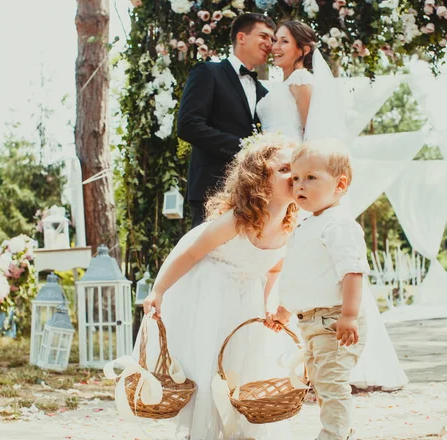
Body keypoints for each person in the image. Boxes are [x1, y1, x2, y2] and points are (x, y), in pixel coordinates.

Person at [260, 21, 408, 392]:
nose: (275, 47)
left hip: (294, 170)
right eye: (273, 40)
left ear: (302, 49)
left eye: (283, 41)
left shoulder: (301, 82)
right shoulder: (275, 86)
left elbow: (313, 135)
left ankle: (339, 338)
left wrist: (303, 178)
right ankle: (298, 357)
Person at [141, 134, 297, 440]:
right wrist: (158, 290)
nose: (294, 176)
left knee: (243, 360)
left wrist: (268, 303)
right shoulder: (238, 220)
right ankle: (205, 428)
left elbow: (274, 265)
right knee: (211, 361)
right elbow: (190, 252)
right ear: (259, 179)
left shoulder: (291, 223)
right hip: (211, 289)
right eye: (284, 169)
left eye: (298, 169)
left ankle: (239, 428)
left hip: (247, 293)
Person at [267, 140, 369, 440]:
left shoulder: (338, 224)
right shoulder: (306, 224)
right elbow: (300, 274)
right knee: (322, 383)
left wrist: (349, 315)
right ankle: (340, 430)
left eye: (311, 178)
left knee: (332, 382)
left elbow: (353, 271)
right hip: (311, 323)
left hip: (335, 321)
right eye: (296, 178)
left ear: (340, 184)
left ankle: (334, 434)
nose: (300, 185)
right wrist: (285, 310)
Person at [178, 13, 276, 228]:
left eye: (273, 39)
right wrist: (243, 147)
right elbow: (188, 125)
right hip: (211, 189)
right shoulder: (208, 72)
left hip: (251, 194)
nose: (270, 44)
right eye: (264, 36)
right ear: (241, 37)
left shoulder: (265, 93)